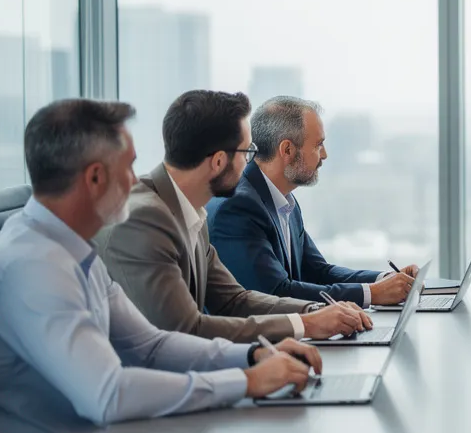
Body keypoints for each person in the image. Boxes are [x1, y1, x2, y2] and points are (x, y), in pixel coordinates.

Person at [0, 99, 320, 433]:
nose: (135, 181)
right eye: (128, 167)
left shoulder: (71, 252)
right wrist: (245, 382)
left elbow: (150, 345)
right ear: (94, 178)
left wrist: (251, 356)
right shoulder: (33, 265)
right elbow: (109, 393)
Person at [96, 91, 371, 343]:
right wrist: (305, 325)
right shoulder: (143, 219)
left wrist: (315, 310)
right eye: (248, 151)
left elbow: (233, 300)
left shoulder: (191, 210)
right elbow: (184, 330)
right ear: (218, 161)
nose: (252, 162)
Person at [208, 96, 420, 307]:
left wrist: (386, 280)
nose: (325, 155)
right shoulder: (238, 208)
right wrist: (372, 294)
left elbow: (317, 271)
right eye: (319, 145)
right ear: (287, 150)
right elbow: (276, 293)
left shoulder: (284, 200)